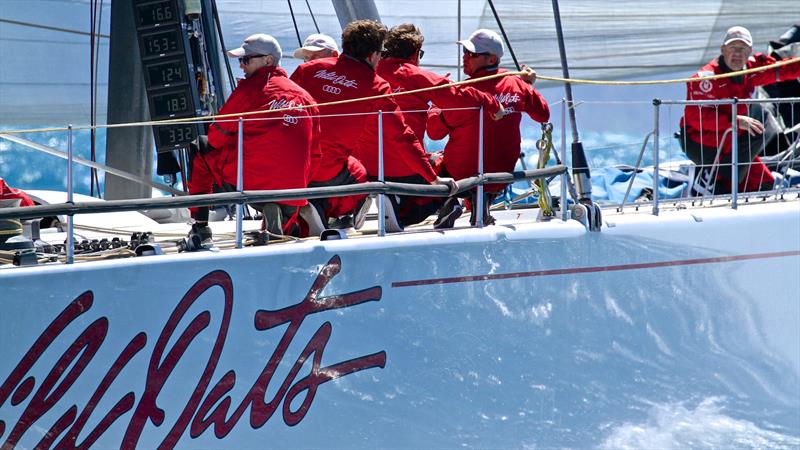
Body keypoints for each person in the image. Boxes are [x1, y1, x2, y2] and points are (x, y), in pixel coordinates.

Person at [291, 20, 457, 232]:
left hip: (295, 164)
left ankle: (314, 207)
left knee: (339, 161)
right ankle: (339, 211)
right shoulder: (376, 86)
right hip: (329, 169)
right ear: (372, 55)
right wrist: (432, 178)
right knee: (361, 173)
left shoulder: (308, 69)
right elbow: (401, 136)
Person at [187, 33, 321, 246]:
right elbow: (316, 153)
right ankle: (284, 216)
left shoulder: (250, 89)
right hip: (295, 188)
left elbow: (215, 138)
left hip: (253, 184)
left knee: (200, 147)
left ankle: (200, 226)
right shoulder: (306, 97)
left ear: (268, 60)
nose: (241, 66)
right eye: (240, 60)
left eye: (246, 60)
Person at [426, 28, 550, 227]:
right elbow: (542, 114)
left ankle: (449, 202)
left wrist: (436, 103)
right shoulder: (517, 84)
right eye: (465, 52)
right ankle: (480, 207)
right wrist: (529, 85)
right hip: (501, 174)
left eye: (472, 54)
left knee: (427, 161)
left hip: (464, 174)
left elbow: (434, 132)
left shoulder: (464, 93)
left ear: (491, 60)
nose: (465, 57)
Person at [679, 26, 800, 194]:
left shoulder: (750, 70)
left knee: (766, 184)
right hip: (699, 141)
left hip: (731, 139)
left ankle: (720, 180)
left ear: (749, 51)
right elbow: (696, 118)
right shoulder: (706, 78)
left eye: (742, 49)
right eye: (732, 48)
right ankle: (713, 183)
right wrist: (736, 122)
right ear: (723, 50)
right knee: (755, 132)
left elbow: (782, 70)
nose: (737, 53)